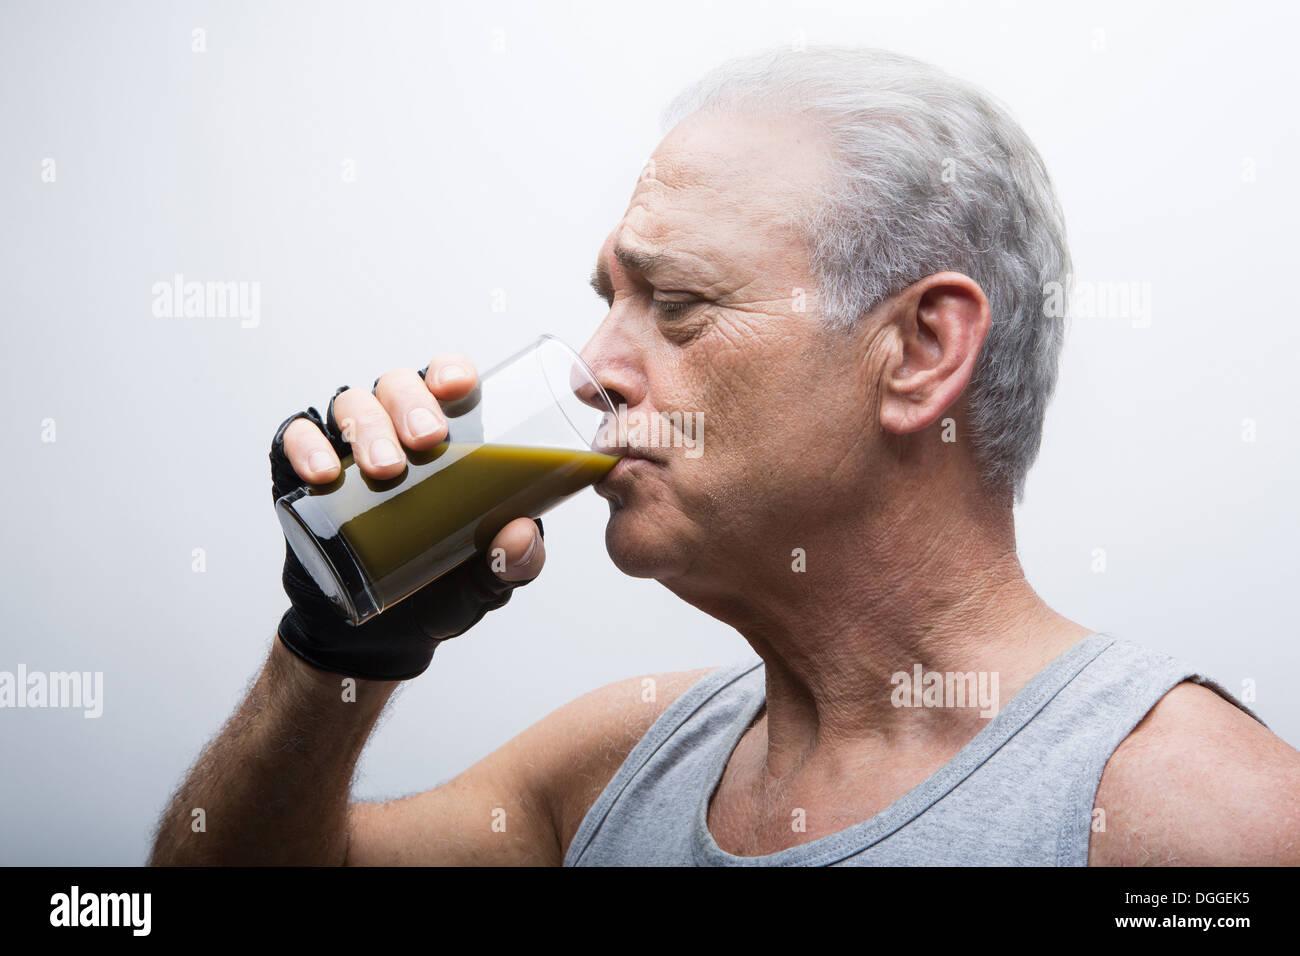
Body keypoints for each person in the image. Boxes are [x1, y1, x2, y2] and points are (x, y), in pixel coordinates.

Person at [150, 46, 1300, 866]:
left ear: (917, 349)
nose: (595, 368)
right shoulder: (616, 762)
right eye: (609, 300)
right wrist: (335, 649)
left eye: (678, 303)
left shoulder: (1195, 818)